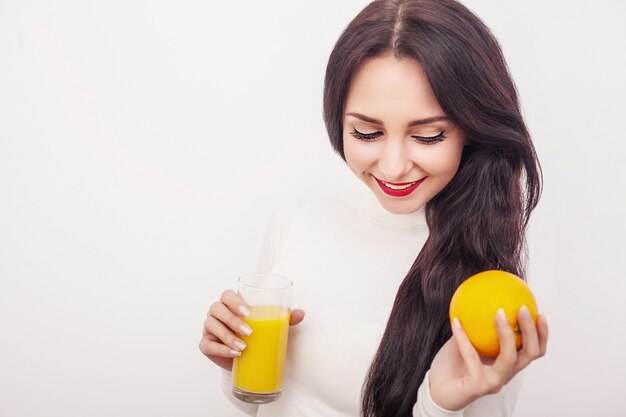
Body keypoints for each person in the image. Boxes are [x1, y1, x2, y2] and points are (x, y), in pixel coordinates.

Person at [199, 0, 549, 416]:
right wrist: (235, 367)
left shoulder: (484, 289)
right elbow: (264, 405)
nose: (394, 166)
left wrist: (440, 404)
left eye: (430, 136)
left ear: (472, 130)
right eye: (367, 133)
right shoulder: (298, 219)